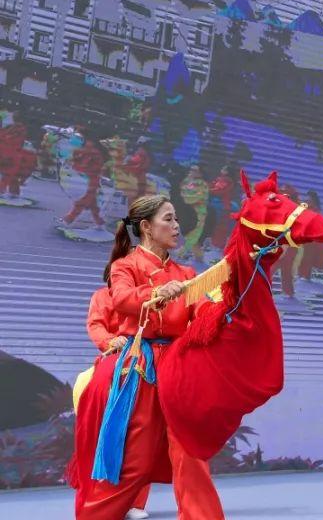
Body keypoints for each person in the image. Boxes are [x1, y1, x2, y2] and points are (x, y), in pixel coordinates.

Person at [72, 194, 224, 519]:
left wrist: (226, 309)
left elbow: (202, 310)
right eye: (168, 219)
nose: (176, 225)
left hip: (179, 366)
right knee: (135, 457)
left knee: (191, 451)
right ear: (146, 227)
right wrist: (156, 293)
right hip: (142, 365)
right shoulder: (124, 266)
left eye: (177, 219)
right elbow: (124, 300)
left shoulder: (186, 272)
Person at [84, 287, 152, 520]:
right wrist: (112, 340)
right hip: (116, 356)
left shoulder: (150, 296)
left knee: (145, 433)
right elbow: (96, 325)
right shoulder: (103, 296)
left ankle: (136, 500)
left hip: (145, 359)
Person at [63, 134, 107, 228]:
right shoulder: (81, 151)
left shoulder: (95, 154)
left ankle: (69, 219)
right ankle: (100, 222)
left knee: (82, 201)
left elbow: (98, 167)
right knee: (93, 204)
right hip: (84, 178)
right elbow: (73, 161)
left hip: (90, 179)